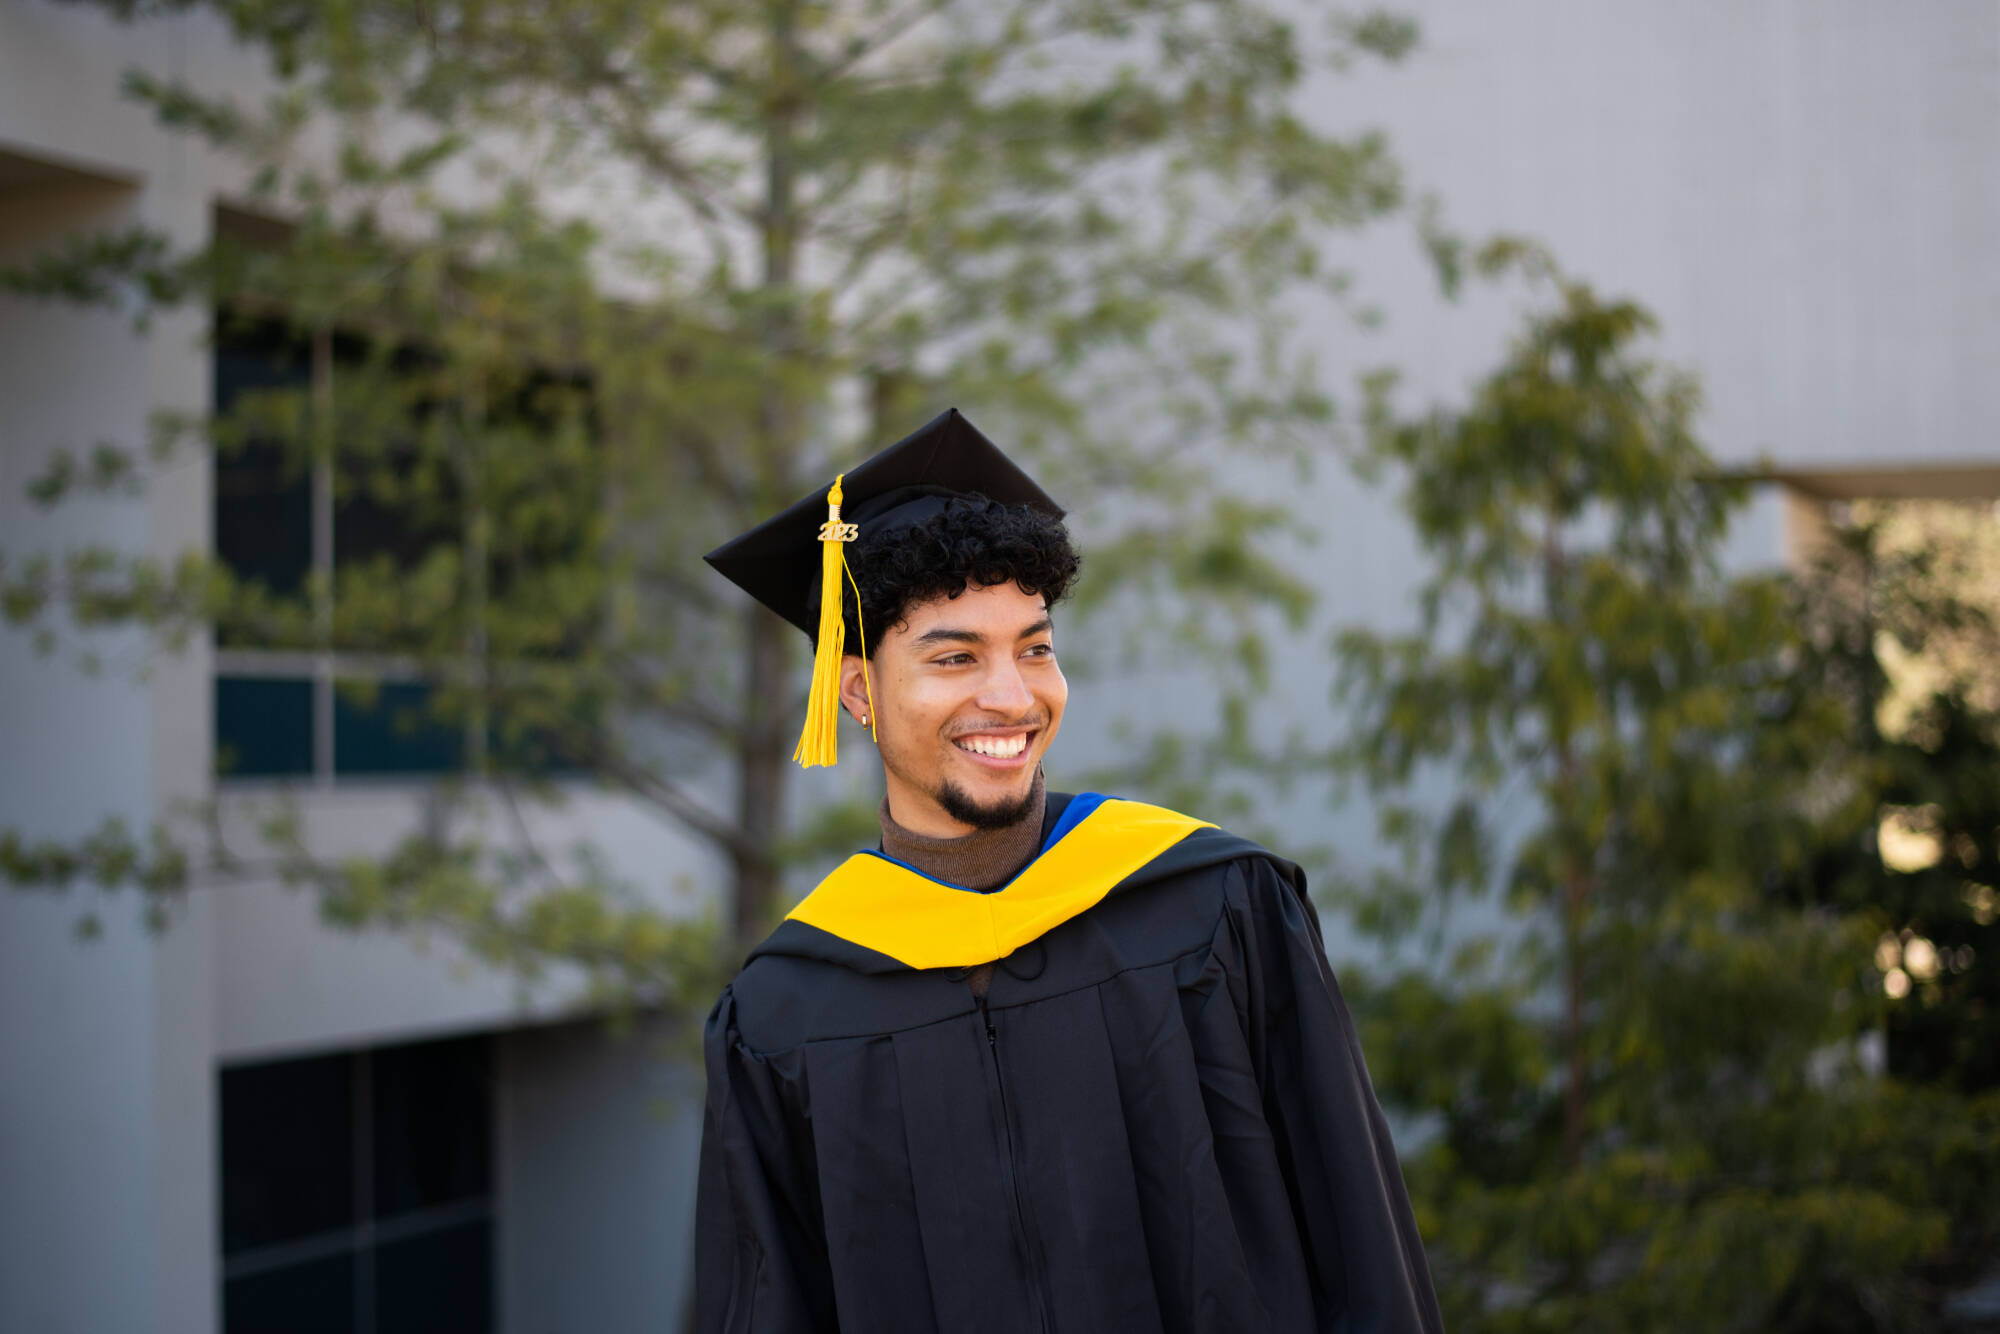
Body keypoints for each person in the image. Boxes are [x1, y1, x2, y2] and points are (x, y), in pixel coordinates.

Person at [697, 409, 1443, 1333]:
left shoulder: (1216, 909)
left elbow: (1364, 1262)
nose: (1012, 696)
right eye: (955, 656)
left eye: (1035, 647)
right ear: (859, 692)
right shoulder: (784, 1018)